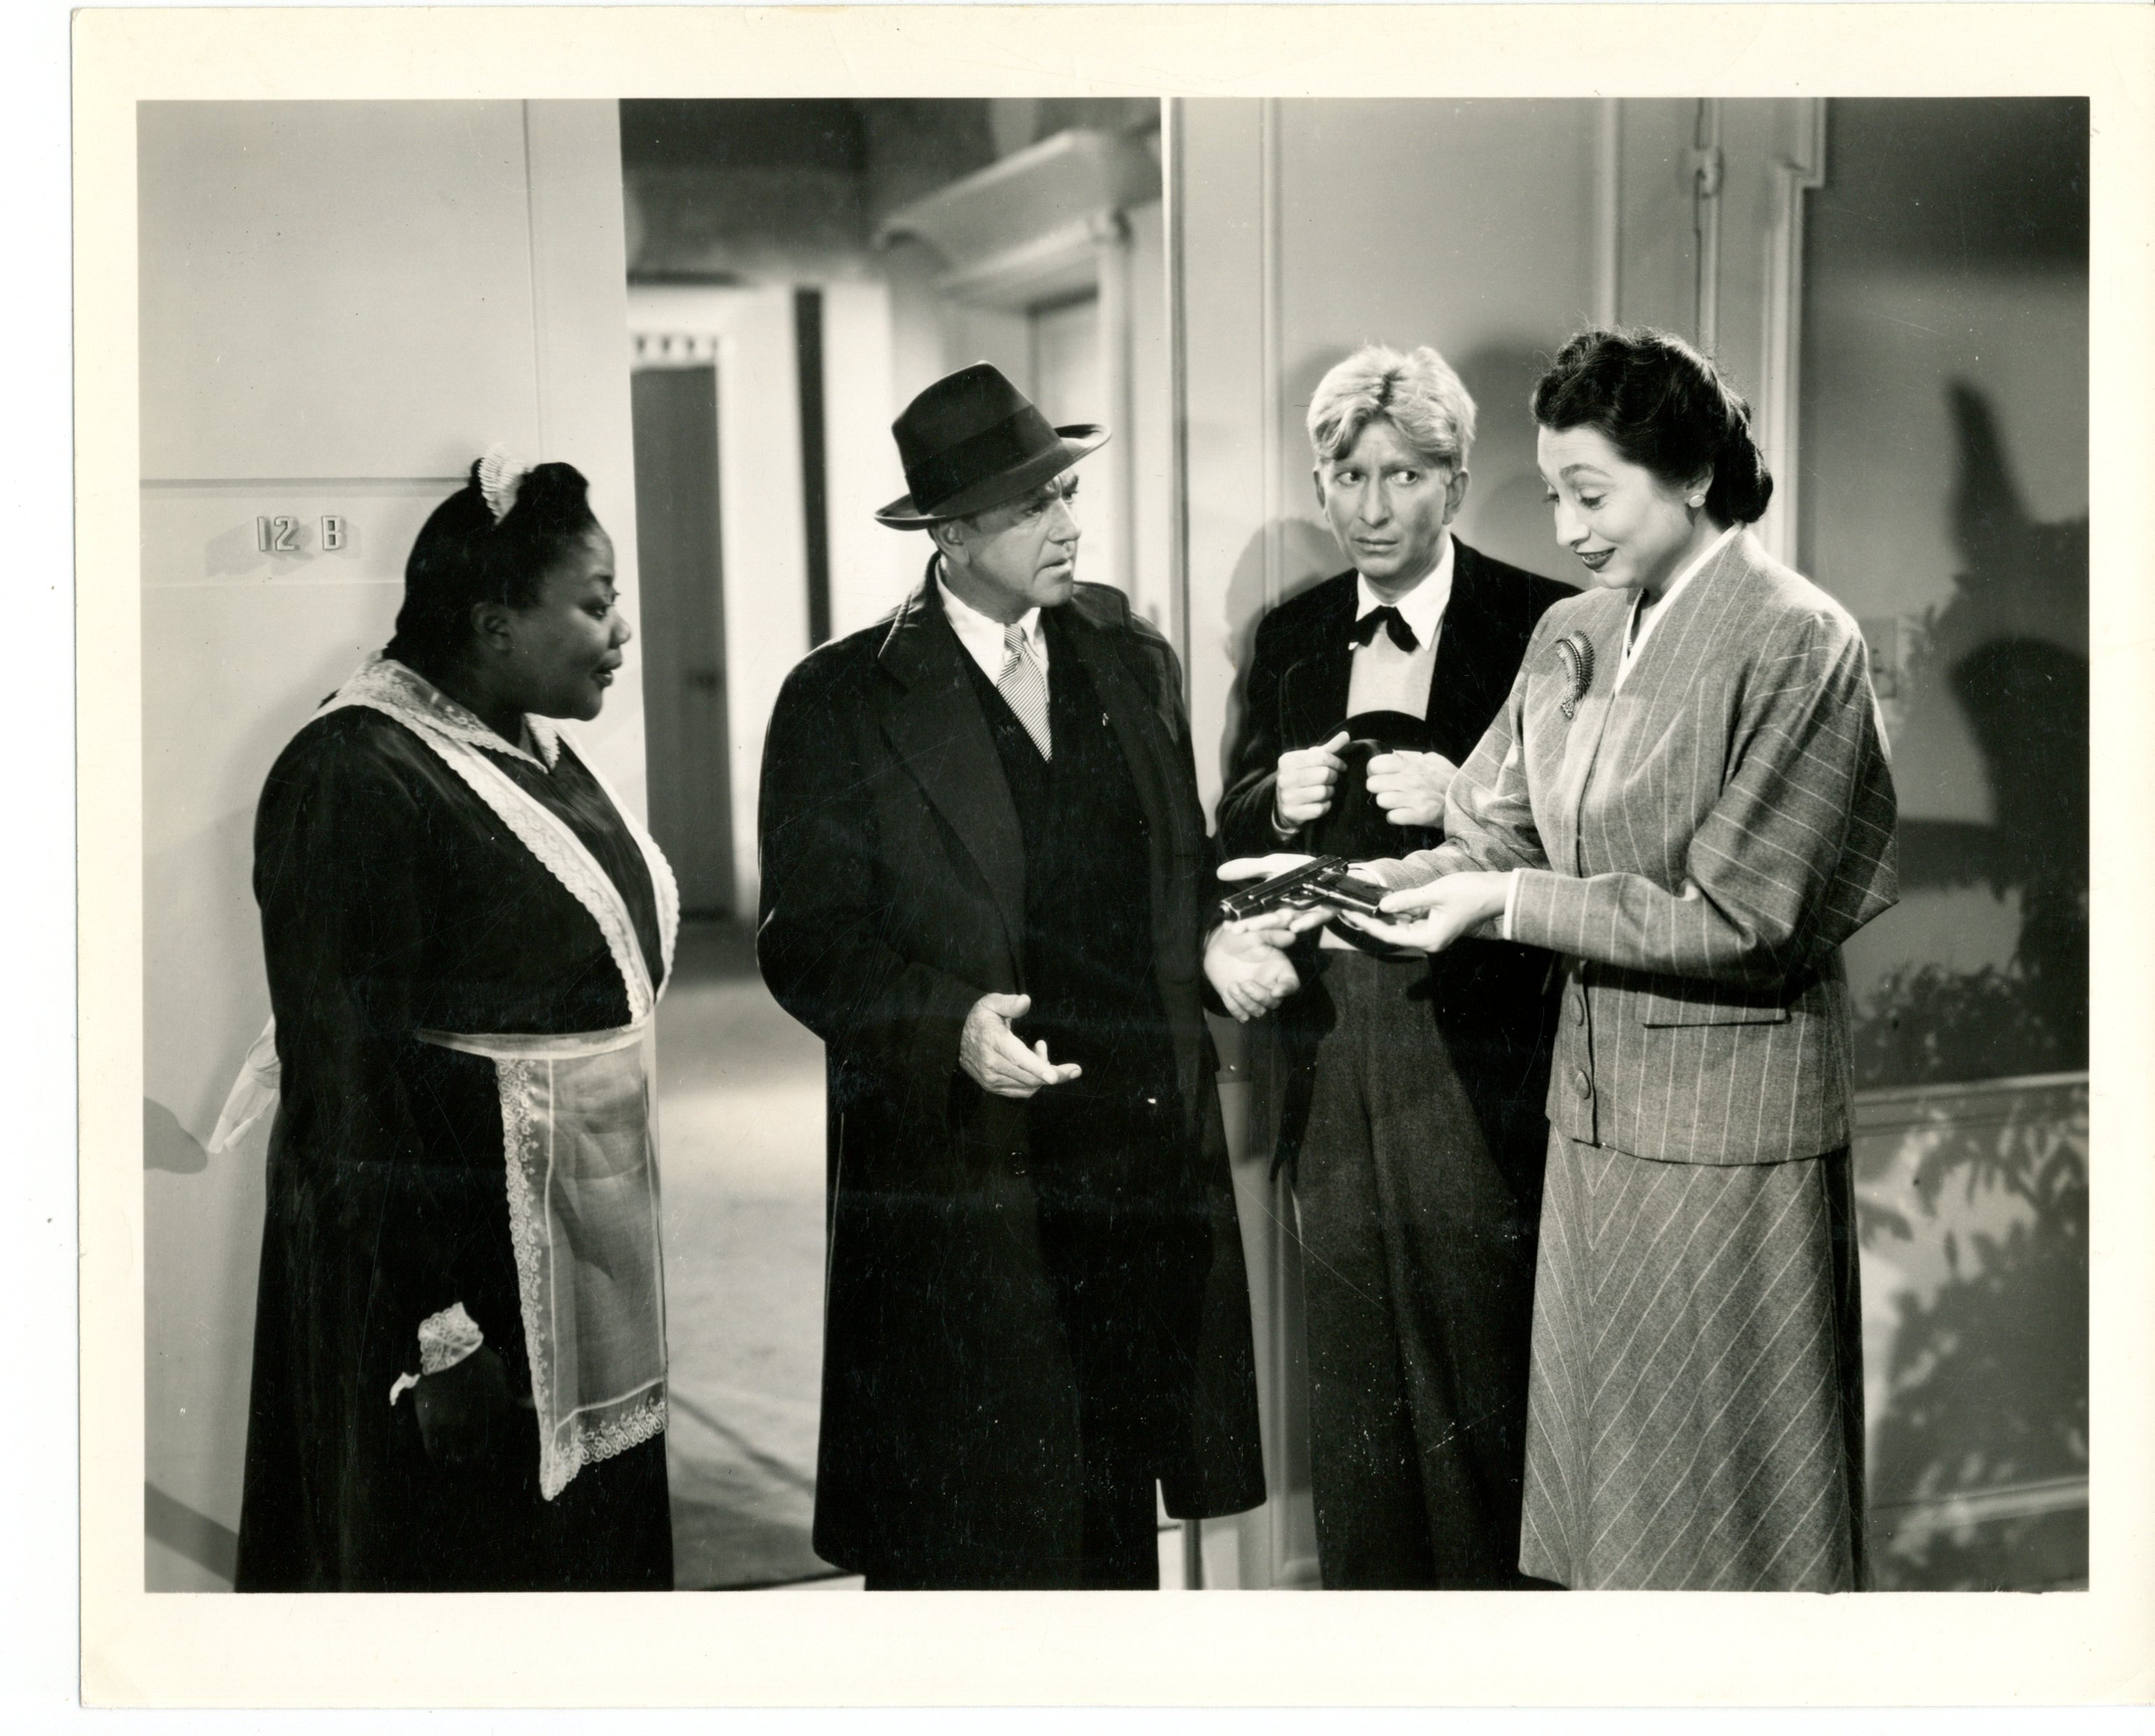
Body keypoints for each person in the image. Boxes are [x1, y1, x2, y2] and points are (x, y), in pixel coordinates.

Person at [1340, 327, 1899, 1591]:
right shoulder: (1576, 631)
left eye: (1590, 492)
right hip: (1591, 1129)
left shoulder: (1799, 639)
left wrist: (1501, 897)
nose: (1568, 527)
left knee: (1722, 1516)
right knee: (1610, 1512)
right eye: (1552, 496)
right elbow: (1492, 825)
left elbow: (1741, 918)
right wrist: (1354, 889)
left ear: (1692, 471)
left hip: (1727, 1139)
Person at [757, 363, 1283, 1590]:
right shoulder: (839, 699)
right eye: (1031, 505)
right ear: (949, 534)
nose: (1069, 524)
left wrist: (1208, 940)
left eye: (1066, 490)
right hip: (967, 1161)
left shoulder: (1122, 652)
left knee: (1112, 1497)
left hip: (1132, 1147)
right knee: (972, 1512)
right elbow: (807, 937)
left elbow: (1179, 859)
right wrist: (945, 1024)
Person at [225, 451, 678, 1591]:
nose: (620, 631)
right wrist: (441, 1334)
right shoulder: (356, 772)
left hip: (580, 1268)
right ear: (492, 623)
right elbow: (345, 1094)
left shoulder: (531, 743)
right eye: (595, 601)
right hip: (455, 1292)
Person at [1216, 344, 1573, 1589]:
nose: (1371, 506)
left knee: (1480, 1373)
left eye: (1403, 475)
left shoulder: (1540, 623)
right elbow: (1227, 836)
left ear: (1456, 481)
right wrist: (1275, 795)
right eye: (1345, 474)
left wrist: (1470, 800)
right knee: (1356, 1380)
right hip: (1329, 1042)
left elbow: (1601, 836)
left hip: (1473, 1048)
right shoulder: (1291, 632)